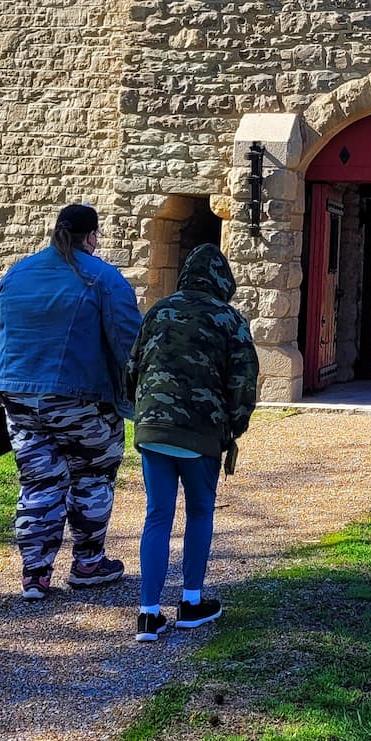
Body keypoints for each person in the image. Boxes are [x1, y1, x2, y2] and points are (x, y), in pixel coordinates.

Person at [0, 203, 142, 600]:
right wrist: (136, 394)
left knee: (38, 482)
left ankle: (35, 574)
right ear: (91, 237)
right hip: (82, 396)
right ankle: (88, 562)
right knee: (92, 475)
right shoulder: (103, 278)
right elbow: (129, 342)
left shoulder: (16, 274)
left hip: (19, 395)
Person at [125, 242, 259, 640]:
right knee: (200, 512)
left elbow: (132, 367)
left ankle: (148, 613)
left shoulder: (158, 312)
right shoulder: (228, 319)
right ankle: (191, 601)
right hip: (202, 432)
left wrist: (143, 412)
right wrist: (234, 428)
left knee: (157, 515)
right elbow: (243, 382)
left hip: (153, 429)